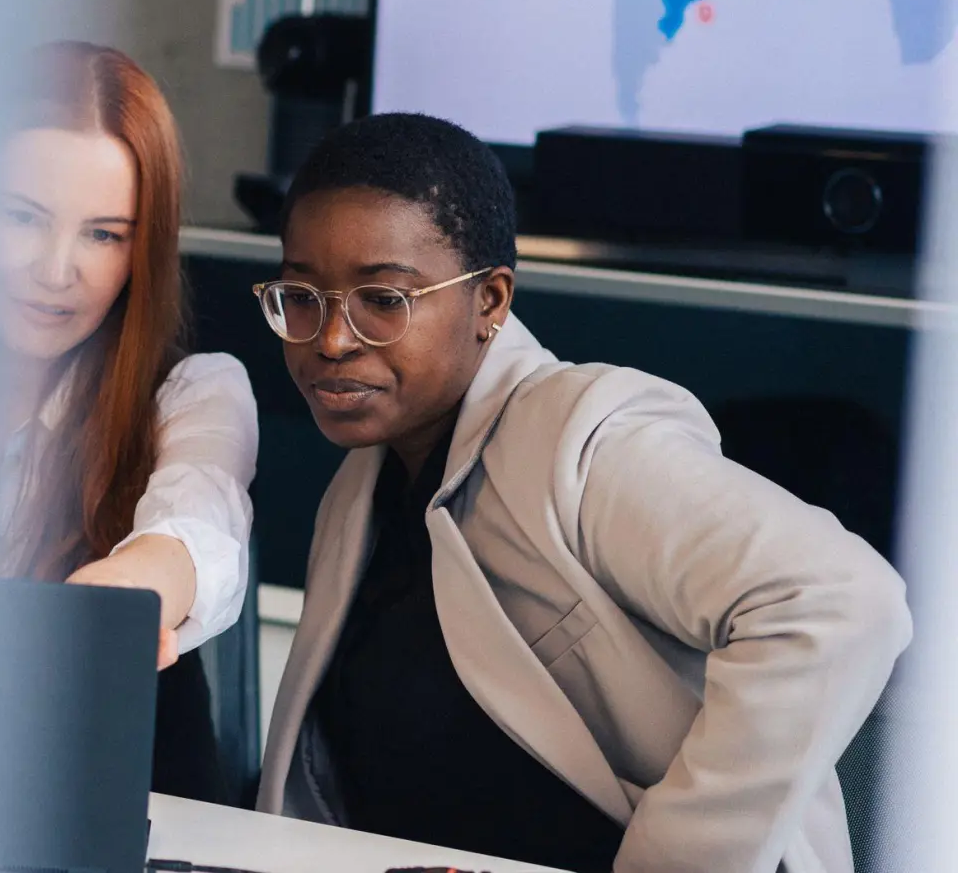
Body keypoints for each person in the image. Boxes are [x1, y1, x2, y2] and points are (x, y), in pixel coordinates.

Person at [252, 113, 910, 872]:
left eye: (384, 300)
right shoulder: (364, 483)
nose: (331, 339)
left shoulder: (581, 437)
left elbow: (841, 600)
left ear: (491, 302)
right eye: (301, 295)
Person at [0, 42, 258, 804]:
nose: (55, 270)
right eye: (22, 217)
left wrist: (129, 588)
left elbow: (197, 528)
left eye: (104, 234)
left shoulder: (194, 392)